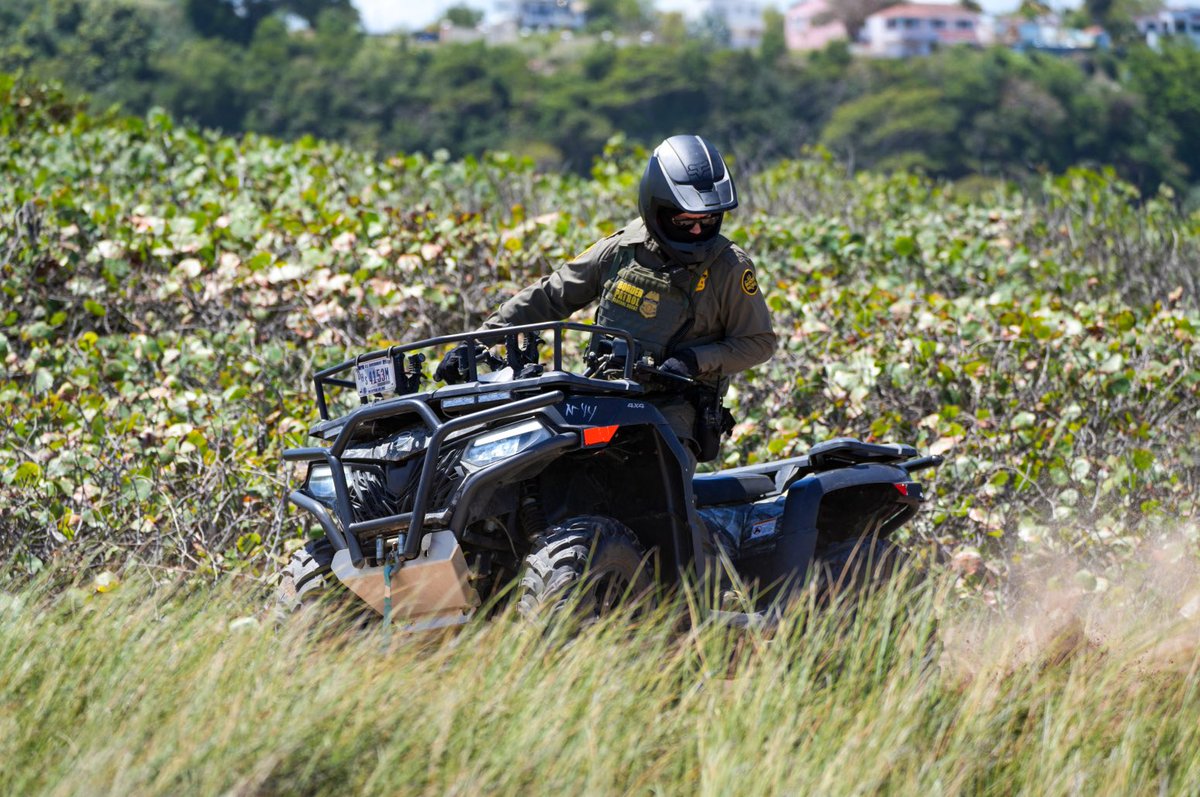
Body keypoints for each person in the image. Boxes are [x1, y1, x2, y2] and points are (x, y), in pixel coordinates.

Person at [435, 134, 777, 474]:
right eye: (685, 222)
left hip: (675, 406)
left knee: (659, 488)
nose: (698, 232)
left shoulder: (730, 267)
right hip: (604, 394)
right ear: (657, 208)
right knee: (533, 470)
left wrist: (693, 361)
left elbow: (759, 343)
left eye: (708, 221)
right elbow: (551, 295)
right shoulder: (623, 248)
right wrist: (476, 342)